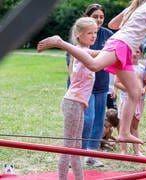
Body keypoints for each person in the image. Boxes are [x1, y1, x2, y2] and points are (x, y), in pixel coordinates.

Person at [37, 0, 146, 145]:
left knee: (136, 91)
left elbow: (113, 24)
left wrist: (131, 10)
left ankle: (124, 132)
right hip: (121, 44)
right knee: (94, 65)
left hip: (124, 47)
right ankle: (60, 42)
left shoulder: (139, 7)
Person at [58, 17, 98, 180]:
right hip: (72, 103)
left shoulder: (81, 51)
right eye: (90, 33)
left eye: (95, 32)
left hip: (78, 104)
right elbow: (97, 53)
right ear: (79, 35)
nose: (94, 35)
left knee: (76, 146)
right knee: (69, 146)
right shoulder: (82, 51)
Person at [75, 4, 114, 167]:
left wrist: (113, 86)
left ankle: (91, 154)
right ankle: (77, 154)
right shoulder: (81, 34)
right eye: (95, 16)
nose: (98, 20)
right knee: (87, 118)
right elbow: (72, 60)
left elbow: (113, 59)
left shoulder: (108, 35)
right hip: (84, 85)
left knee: (98, 120)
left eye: (101, 17)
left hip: (102, 84)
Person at [115, 46, 146, 156]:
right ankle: (123, 150)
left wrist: (143, 89)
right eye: (132, 51)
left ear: (141, 53)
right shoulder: (124, 67)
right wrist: (129, 88)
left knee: (134, 125)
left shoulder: (143, 69)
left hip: (139, 100)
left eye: (137, 51)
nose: (134, 54)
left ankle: (137, 151)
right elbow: (117, 83)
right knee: (123, 124)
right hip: (126, 99)